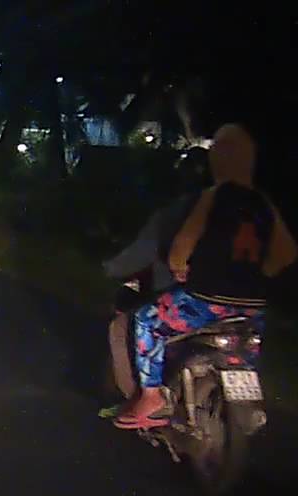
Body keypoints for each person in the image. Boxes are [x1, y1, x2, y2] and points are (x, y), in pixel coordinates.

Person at [114, 124, 298, 429]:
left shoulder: (215, 195)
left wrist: (179, 267)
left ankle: (151, 397)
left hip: (206, 300)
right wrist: (261, 273)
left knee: (147, 320)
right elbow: (287, 252)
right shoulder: (263, 202)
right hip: (254, 306)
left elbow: (184, 243)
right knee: (244, 348)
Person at [99, 149, 209, 413]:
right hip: (241, 303)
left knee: (129, 325)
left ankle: (141, 398)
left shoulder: (174, 214)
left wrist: (110, 268)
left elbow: (139, 255)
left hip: (190, 298)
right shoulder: (237, 211)